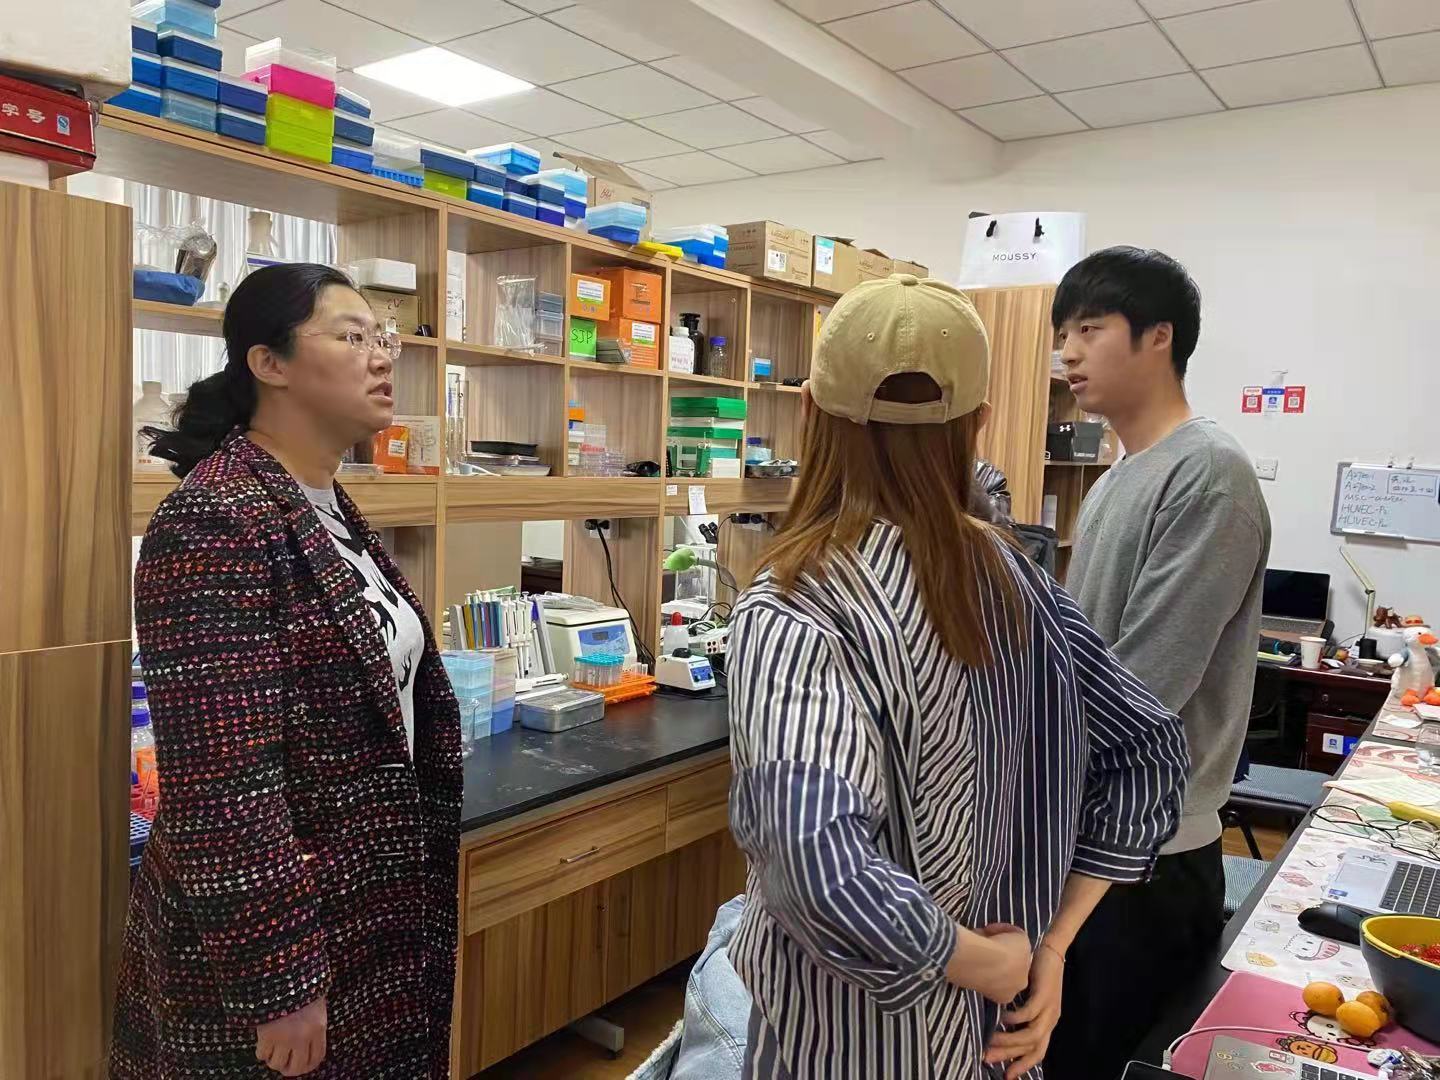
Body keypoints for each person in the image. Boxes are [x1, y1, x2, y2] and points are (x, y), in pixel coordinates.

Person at [726, 273, 1191, 1080]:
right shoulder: (1020, 582)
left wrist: (981, 961)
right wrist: (1049, 949)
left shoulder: (797, 606)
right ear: (978, 424)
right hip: (997, 1043)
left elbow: (815, 867)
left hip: (847, 1050)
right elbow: (1149, 752)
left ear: (808, 411)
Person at [110, 264, 463, 1079]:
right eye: (352, 336)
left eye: (383, 337)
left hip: (359, 914)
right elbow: (222, 785)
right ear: (269, 364)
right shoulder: (217, 518)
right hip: (270, 950)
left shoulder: (322, 501)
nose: (382, 356)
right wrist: (280, 982)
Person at [1046, 247, 1272, 1079]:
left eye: (1090, 329)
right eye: (1062, 334)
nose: (1067, 353)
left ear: (1159, 337)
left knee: (1103, 1058)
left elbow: (1142, 690)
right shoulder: (1117, 479)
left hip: (1150, 856)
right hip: (1086, 838)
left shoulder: (1209, 476)